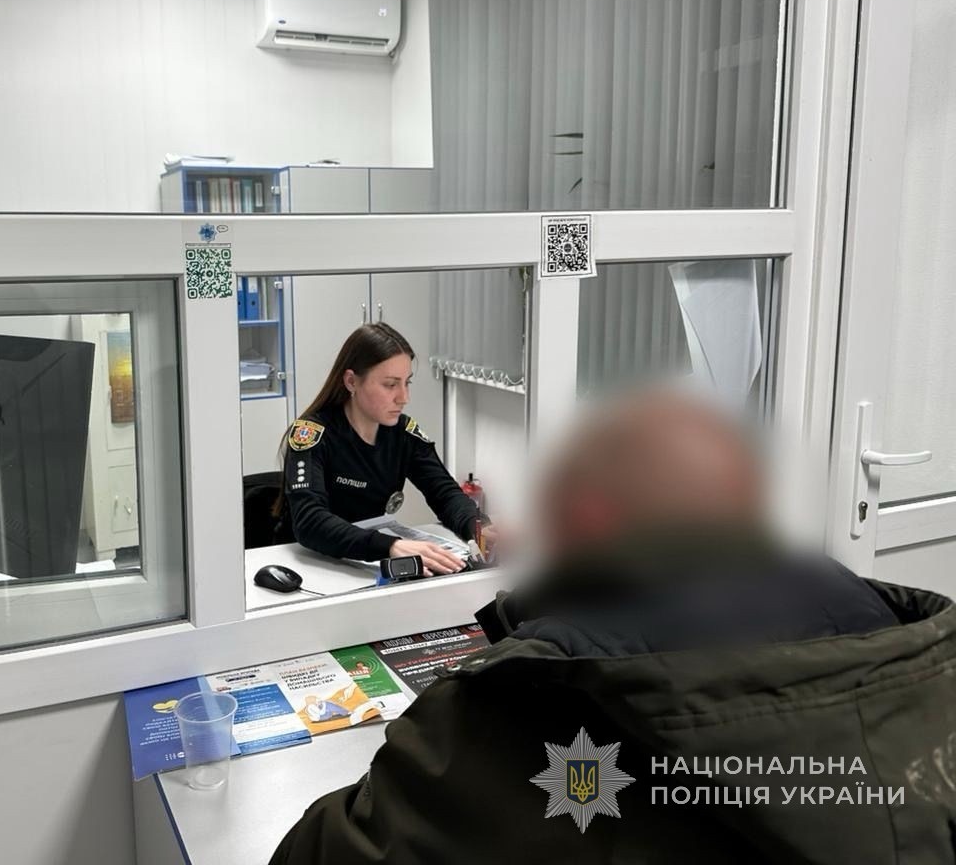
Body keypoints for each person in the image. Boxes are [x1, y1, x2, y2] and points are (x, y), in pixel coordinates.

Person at [270, 391, 956, 864]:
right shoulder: (897, 627)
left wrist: (480, 535)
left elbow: (334, 851)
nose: (400, 394)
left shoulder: (534, 698)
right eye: (390, 383)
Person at [275, 323, 487, 575]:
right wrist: (391, 546)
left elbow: (445, 493)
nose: (404, 397)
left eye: (407, 383)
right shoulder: (312, 434)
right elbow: (310, 521)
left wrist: (480, 529)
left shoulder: (403, 433)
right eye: (390, 385)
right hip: (309, 566)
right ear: (351, 381)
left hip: (365, 563)